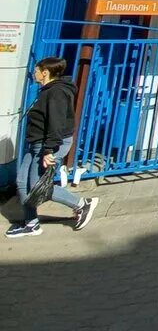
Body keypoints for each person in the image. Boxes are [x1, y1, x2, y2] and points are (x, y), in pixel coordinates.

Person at [6, 57, 97, 238]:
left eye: (37, 70)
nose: (34, 73)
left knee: (39, 187)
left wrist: (49, 150)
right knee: (23, 182)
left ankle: (81, 204)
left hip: (49, 144)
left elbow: (56, 122)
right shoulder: (48, 90)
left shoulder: (56, 92)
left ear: (45, 72)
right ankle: (31, 224)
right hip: (37, 143)